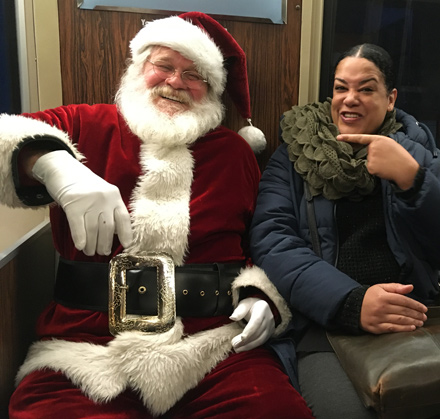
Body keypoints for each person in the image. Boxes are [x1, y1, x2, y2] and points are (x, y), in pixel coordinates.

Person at [0, 12, 313, 419]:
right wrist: (53, 165)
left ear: (212, 91)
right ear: (139, 67)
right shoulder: (81, 125)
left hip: (213, 349)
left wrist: (264, 296)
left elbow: (262, 243)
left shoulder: (234, 155)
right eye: (164, 65)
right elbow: (9, 133)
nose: (176, 81)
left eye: (194, 74)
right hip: (84, 352)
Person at [249, 44, 440, 418]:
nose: (350, 100)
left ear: (390, 98)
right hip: (329, 324)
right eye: (341, 87)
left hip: (421, 314)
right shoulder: (293, 155)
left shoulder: (416, 152)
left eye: (366, 89)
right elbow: (273, 241)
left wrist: (412, 179)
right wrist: (351, 302)